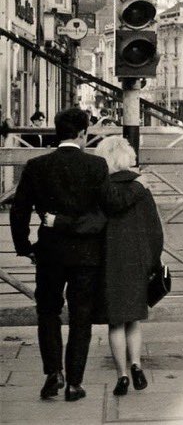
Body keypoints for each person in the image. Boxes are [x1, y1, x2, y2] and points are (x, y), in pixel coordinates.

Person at [45, 136, 164, 396]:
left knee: (116, 323)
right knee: (133, 318)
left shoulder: (100, 189)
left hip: (108, 261)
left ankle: (121, 375)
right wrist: (153, 261)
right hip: (136, 261)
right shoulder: (140, 188)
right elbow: (155, 230)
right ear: (126, 158)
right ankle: (136, 365)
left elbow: (92, 224)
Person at [8, 107, 109, 402]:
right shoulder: (97, 166)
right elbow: (103, 214)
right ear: (82, 134)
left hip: (49, 252)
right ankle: (75, 383)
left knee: (48, 311)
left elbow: (19, 209)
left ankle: (53, 372)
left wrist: (24, 246)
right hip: (86, 255)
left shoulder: (37, 166)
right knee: (81, 316)